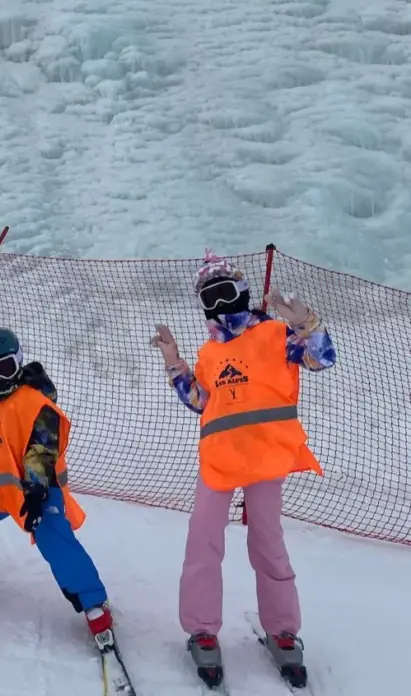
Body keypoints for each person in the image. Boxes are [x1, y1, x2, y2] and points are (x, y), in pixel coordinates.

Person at [151, 251, 336, 689]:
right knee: (203, 543)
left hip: (266, 458)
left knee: (268, 542)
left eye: (226, 292)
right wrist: (175, 361)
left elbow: (321, 359)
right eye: (210, 297)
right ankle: (202, 628)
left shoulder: (276, 333)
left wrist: (308, 323)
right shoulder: (210, 352)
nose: (220, 304)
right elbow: (200, 400)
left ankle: (283, 630)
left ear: (243, 292)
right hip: (219, 462)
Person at [0, 327, 115, 650]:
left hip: (37, 491)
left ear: (18, 363)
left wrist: (36, 492)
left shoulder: (37, 405)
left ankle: (93, 602)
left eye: (4, 370)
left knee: (56, 540)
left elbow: (42, 450)